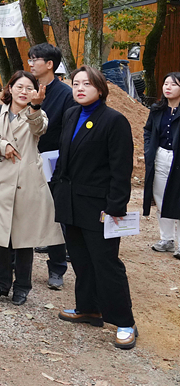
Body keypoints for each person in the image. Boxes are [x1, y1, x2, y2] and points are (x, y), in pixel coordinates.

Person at [50, 66, 137, 350]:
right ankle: (89, 308)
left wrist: (116, 207)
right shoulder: (72, 114)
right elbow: (65, 155)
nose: (80, 88)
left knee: (106, 263)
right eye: (76, 83)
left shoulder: (114, 121)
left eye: (87, 83)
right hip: (71, 202)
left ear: (100, 88)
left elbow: (121, 169)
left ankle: (124, 321)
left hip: (100, 207)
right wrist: (56, 189)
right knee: (81, 259)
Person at [0, 71, 63, 306]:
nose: (24, 92)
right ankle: (1, 283)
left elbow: (39, 130)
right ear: (10, 88)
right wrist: (1, 145)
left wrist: (35, 107)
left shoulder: (38, 113)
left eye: (29, 88)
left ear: (35, 92)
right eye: (19, 87)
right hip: (0, 181)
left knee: (24, 238)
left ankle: (22, 287)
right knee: (0, 235)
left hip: (27, 183)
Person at [26, 43, 76, 289]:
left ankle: (57, 268)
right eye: (30, 59)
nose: (31, 63)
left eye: (36, 59)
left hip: (52, 159)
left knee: (55, 215)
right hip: (24, 157)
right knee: (20, 210)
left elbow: (68, 131)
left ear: (50, 64)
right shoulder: (25, 87)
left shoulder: (65, 94)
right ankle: (11, 260)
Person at [142, 71, 180, 257]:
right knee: (161, 197)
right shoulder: (157, 109)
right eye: (166, 84)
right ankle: (167, 239)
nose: (168, 87)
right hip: (160, 156)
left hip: (177, 158)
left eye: (173, 84)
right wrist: (149, 150)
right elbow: (148, 131)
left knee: (178, 199)